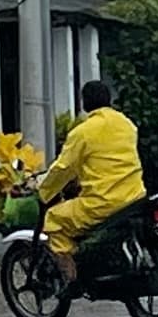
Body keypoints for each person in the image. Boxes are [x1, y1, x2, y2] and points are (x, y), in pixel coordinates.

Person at [33, 78, 146, 290]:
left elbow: (63, 169)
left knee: (54, 218)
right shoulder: (127, 125)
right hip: (134, 197)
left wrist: (44, 192)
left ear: (84, 102)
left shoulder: (82, 132)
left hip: (102, 203)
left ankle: (72, 273)